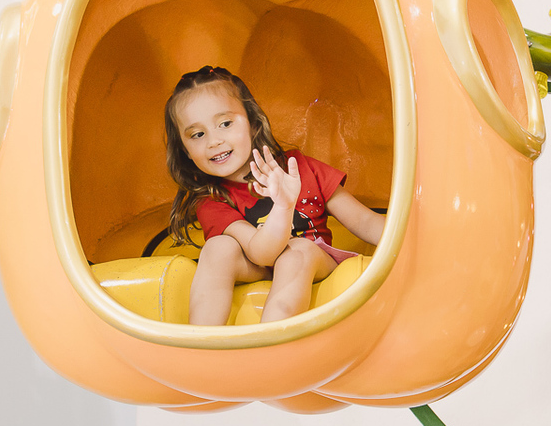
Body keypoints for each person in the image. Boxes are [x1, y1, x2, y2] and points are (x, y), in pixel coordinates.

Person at [164, 66, 386, 325]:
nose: (214, 141)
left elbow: (365, 221)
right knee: (217, 247)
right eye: (198, 134)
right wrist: (283, 206)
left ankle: (273, 340)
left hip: (312, 258)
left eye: (225, 123)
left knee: (296, 250)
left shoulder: (299, 168)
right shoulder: (213, 200)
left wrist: (416, 243)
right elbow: (262, 254)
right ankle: (201, 343)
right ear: (186, 151)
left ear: (252, 122)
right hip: (261, 262)